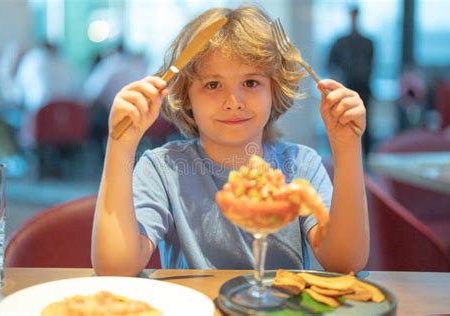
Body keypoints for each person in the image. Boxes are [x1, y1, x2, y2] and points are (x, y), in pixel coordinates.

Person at [91, 5, 369, 276]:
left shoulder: (300, 165)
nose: (233, 102)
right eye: (212, 85)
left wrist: (346, 148)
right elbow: (116, 267)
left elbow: (345, 261)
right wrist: (121, 144)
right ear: (187, 98)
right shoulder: (163, 169)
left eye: (250, 83)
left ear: (274, 89)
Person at [328, 6, 374, 155]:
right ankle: (343, 156)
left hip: (364, 89)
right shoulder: (340, 42)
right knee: (342, 123)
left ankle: (365, 158)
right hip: (346, 89)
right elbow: (330, 64)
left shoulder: (368, 43)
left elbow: (371, 66)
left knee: (365, 126)